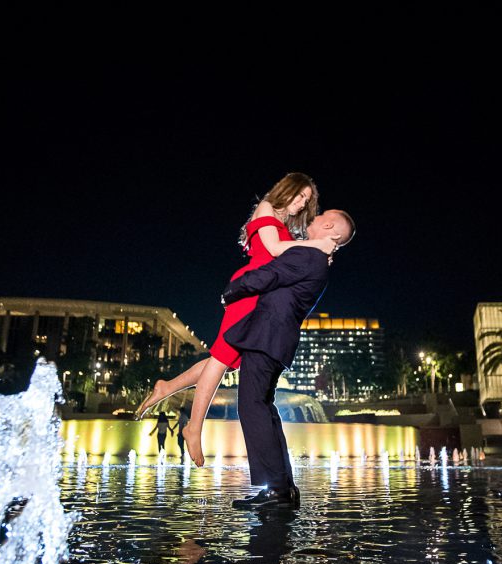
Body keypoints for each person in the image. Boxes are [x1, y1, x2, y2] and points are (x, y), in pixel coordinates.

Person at [135, 173, 338, 466]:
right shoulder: (267, 207)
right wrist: (316, 247)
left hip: (262, 294)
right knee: (223, 357)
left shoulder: (284, 223)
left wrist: (313, 248)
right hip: (250, 290)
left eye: (307, 200)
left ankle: (167, 388)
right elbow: (275, 251)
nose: (301, 203)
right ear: (288, 189)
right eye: (299, 195)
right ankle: (194, 426)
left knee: (228, 359)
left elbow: (289, 256)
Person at [223, 210, 356, 509]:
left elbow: (271, 274)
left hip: (267, 336)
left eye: (322, 214)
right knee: (265, 409)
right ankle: (283, 488)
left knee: (252, 406)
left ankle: (277, 491)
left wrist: (234, 289)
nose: (316, 215)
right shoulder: (317, 258)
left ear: (330, 226)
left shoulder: (309, 257)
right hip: (277, 340)